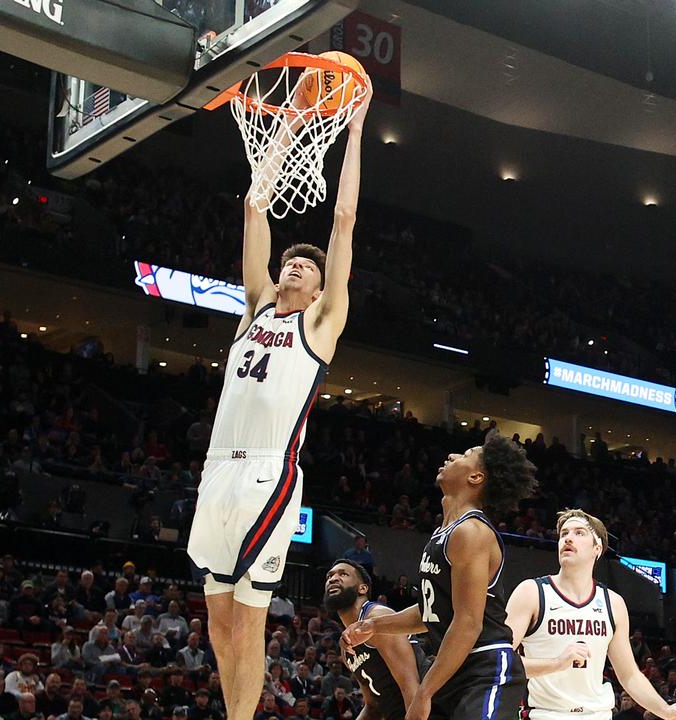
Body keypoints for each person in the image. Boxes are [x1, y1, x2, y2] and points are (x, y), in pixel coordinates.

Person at [186, 75, 370, 720]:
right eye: (290, 262)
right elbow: (255, 205)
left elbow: (343, 220)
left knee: (248, 618)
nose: (294, 266)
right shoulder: (256, 308)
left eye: (307, 266)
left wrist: (352, 127)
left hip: (269, 473)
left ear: (322, 288)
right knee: (216, 619)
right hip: (218, 470)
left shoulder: (319, 325)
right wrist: (290, 122)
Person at [342, 437, 538, 720]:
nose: (451, 455)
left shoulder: (471, 532)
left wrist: (424, 692)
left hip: (485, 669)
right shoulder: (443, 532)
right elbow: (430, 613)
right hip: (452, 671)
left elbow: (467, 623)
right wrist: (374, 625)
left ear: (476, 476)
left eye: (465, 454)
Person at [504, 509, 676, 720]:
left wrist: (666, 710)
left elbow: (629, 675)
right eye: (564, 533)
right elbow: (498, 661)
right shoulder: (532, 592)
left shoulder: (613, 603)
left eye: (579, 533)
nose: (568, 538)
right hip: (546, 714)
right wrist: (556, 663)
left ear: (597, 548)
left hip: (599, 714)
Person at [324, 559, 420, 719]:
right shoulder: (346, 648)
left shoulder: (378, 618)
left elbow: (412, 687)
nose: (333, 579)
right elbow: (373, 705)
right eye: (329, 576)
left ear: (362, 588)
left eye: (343, 574)